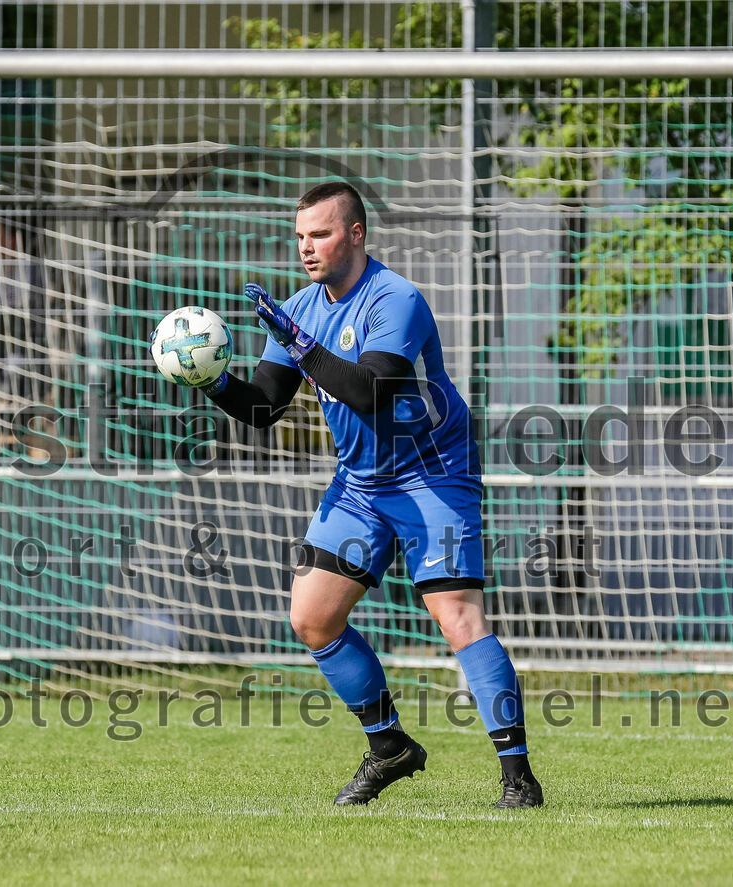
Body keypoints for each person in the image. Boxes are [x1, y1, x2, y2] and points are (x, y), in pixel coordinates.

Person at [194, 182, 542, 808]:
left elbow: (372, 391)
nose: (306, 247)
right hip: (360, 482)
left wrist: (301, 343)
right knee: (312, 618)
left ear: (356, 234)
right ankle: (390, 747)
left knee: (458, 618)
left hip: (433, 475)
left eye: (320, 234)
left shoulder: (395, 298)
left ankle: (518, 779)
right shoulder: (299, 310)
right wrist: (212, 379)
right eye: (300, 236)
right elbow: (265, 407)